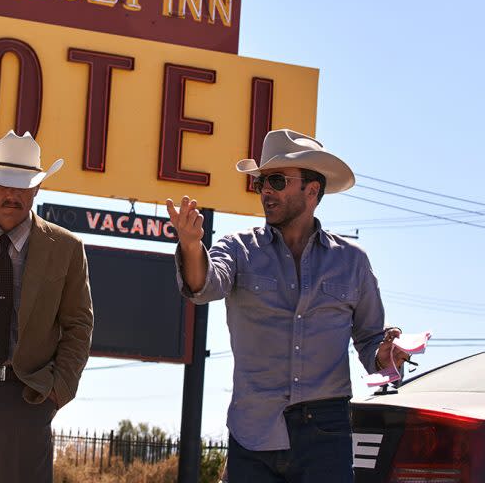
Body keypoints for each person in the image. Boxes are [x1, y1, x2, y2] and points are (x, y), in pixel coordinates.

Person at [166, 129, 409, 483]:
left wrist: (386, 355)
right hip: (254, 431)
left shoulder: (353, 261)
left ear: (312, 191)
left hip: (327, 434)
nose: (265, 190)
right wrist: (190, 245)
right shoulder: (237, 247)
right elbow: (203, 286)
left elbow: (370, 339)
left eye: (276, 181)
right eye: (261, 182)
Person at [0, 130, 94, 483]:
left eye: (22, 185)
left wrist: (56, 391)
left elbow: (79, 324)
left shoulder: (65, 248)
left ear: (37, 189)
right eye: (3, 183)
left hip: (26, 394)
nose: (11, 194)